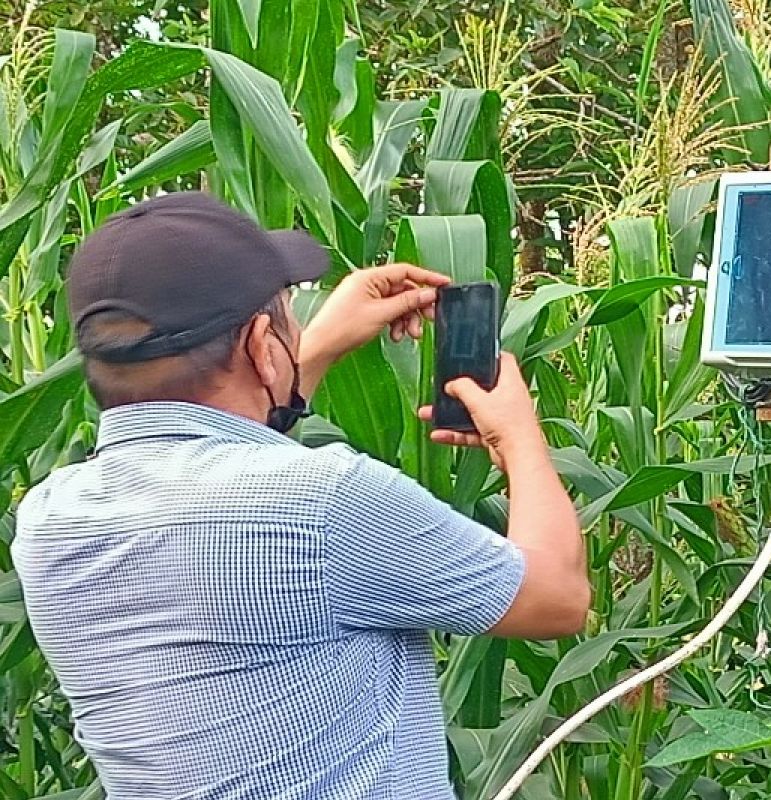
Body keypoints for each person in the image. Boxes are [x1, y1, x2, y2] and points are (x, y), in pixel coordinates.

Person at [12, 192, 589, 800]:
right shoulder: (323, 502)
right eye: (287, 316)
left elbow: (217, 464)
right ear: (261, 345)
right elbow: (554, 598)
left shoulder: (49, 519)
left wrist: (307, 352)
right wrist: (520, 436)